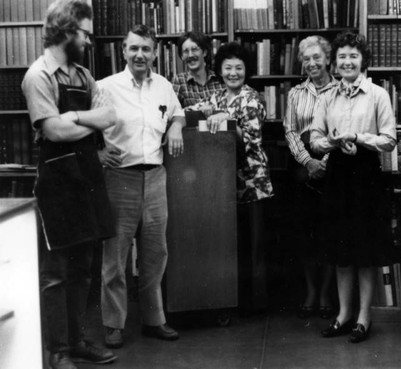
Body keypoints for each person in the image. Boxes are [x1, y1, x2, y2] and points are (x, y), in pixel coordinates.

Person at [21, 1, 118, 368]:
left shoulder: (82, 75)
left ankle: (77, 342)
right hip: (58, 185)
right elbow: (53, 130)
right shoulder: (39, 76)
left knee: (82, 269)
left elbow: (109, 116)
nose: (90, 42)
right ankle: (57, 351)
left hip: (87, 180)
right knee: (56, 273)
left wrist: (76, 115)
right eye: (85, 34)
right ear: (65, 31)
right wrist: (84, 123)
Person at [97, 24, 185, 349]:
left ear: (155, 52)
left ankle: (153, 319)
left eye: (146, 49)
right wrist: (97, 151)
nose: (139, 55)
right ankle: (113, 323)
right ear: (123, 51)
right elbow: (77, 123)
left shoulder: (162, 86)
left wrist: (176, 126)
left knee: (155, 253)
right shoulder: (105, 87)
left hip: (156, 177)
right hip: (120, 177)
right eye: (133, 48)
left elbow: (178, 114)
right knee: (116, 255)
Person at [310, 31, 396, 343]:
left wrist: (359, 138)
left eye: (353, 56)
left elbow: (389, 139)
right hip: (338, 175)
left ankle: (363, 317)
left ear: (363, 61)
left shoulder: (377, 95)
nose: (347, 61)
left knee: (365, 250)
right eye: (342, 56)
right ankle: (343, 314)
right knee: (341, 249)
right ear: (334, 63)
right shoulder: (326, 97)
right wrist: (331, 142)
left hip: (366, 176)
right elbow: (314, 140)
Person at [193, 41, 274, 313]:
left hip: (253, 182)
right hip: (223, 184)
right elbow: (193, 114)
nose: (233, 73)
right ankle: (233, 302)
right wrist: (201, 113)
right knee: (230, 246)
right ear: (220, 70)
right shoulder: (216, 97)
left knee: (256, 248)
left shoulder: (253, 98)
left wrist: (226, 120)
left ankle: (259, 306)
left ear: (246, 70)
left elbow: (249, 142)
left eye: (238, 68)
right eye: (228, 68)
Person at [283, 35, 337, 320]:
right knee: (305, 234)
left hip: (333, 170)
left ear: (328, 59)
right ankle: (311, 291)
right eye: (306, 58)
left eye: (317, 57)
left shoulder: (342, 90)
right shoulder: (295, 94)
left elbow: (343, 127)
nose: (311, 63)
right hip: (303, 171)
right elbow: (290, 131)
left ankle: (327, 292)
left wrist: (324, 162)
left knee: (330, 232)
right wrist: (308, 161)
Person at [172, 31, 224, 108]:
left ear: (204, 52)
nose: (190, 55)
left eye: (194, 49)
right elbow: (173, 113)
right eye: (186, 51)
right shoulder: (179, 81)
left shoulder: (219, 79)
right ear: (182, 56)